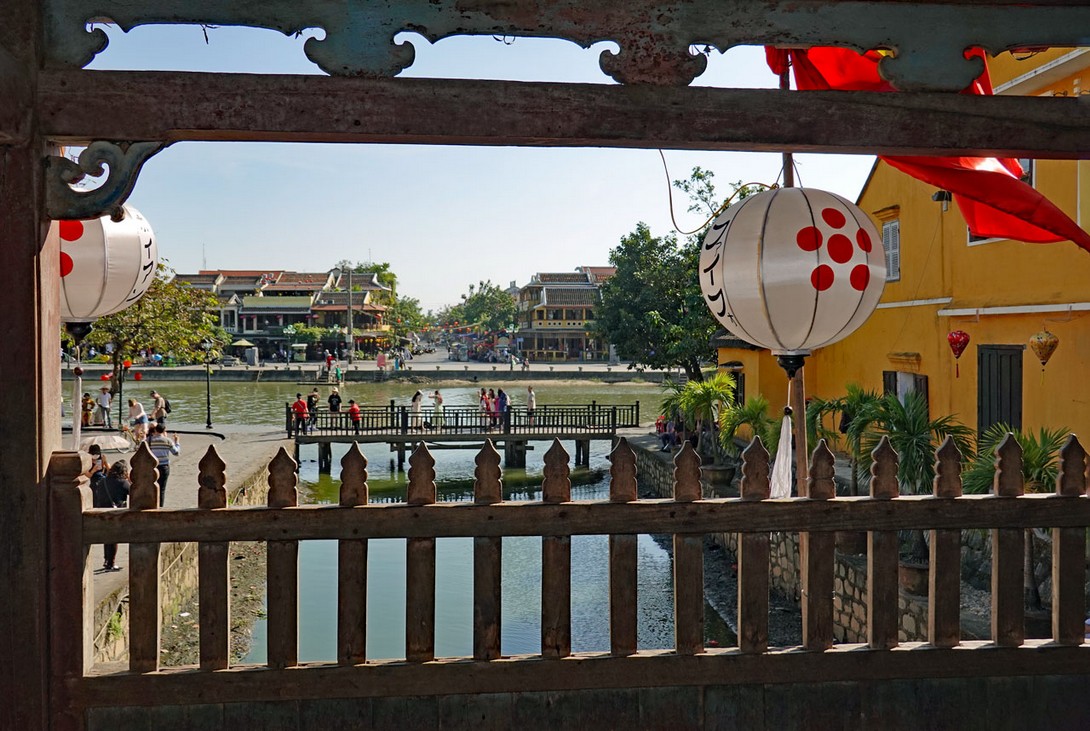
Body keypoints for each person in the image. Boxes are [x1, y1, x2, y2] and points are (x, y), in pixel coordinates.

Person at [94, 460, 131, 571]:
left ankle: (106, 560)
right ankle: (111, 563)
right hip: (117, 513)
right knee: (114, 538)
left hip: (102, 512)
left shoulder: (102, 482)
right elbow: (133, 493)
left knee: (107, 537)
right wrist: (129, 481)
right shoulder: (123, 483)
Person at [147, 423, 180, 507]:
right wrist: (177, 442)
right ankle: (160, 506)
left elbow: (141, 449)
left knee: (151, 487)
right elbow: (176, 453)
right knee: (162, 488)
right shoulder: (168, 440)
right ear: (164, 430)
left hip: (152, 466)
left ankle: (151, 504)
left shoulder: (149, 440)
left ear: (155, 430)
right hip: (164, 466)